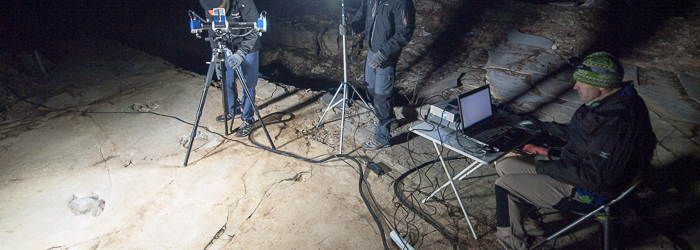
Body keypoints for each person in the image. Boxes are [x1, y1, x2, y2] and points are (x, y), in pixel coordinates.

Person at [493, 52, 657, 249]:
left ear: (602, 85)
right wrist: (539, 129)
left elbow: (594, 178)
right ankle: (532, 224)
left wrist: (547, 166)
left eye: (581, 83)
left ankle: (515, 245)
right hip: (580, 167)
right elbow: (582, 136)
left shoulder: (616, 126)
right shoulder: (614, 101)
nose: (575, 86)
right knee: (507, 165)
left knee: (504, 185)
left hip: (592, 193)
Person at [339, 0, 416, 150]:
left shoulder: (401, 2)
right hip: (373, 51)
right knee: (371, 89)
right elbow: (361, 18)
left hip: (387, 55)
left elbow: (405, 31)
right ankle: (389, 120)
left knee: (382, 95)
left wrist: (384, 53)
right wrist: (350, 28)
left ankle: (382, 138)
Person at [200, 0, 261, 137]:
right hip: (226, 46)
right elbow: (212, 32)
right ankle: (233, 111)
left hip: (248, 45)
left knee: (248, 84)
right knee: (227, 80)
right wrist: (216, 56)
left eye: (217, 9)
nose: (213, 13)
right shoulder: (209, 6)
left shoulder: (243, 2)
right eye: (211, 11)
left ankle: (248, 120)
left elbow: (255, 28)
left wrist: (241, 53)